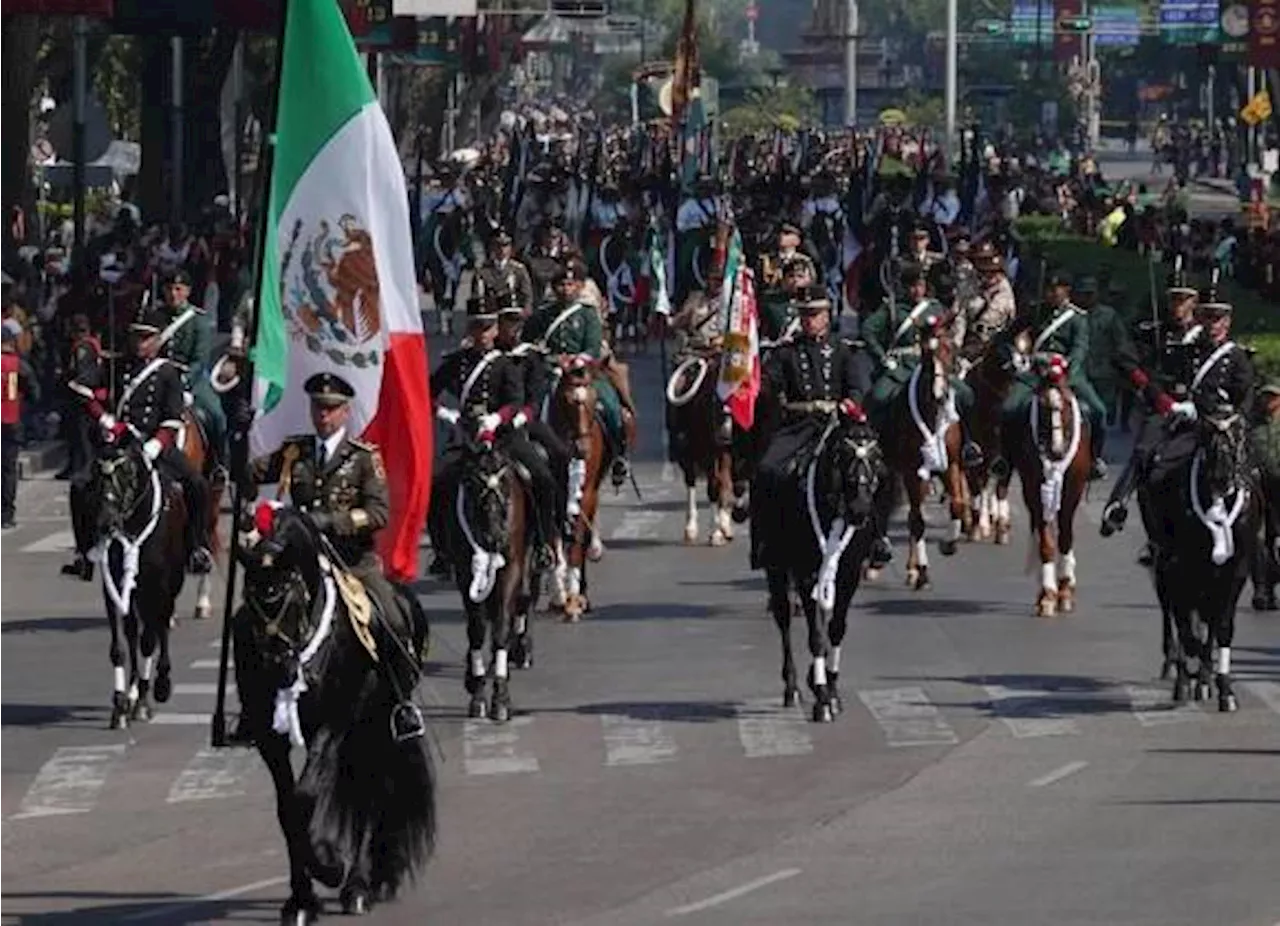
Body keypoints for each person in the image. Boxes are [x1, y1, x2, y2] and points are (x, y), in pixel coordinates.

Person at [232, 371, 400, 745]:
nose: (323, 416)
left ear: (344, 412)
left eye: (331, 410)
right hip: (300, 561)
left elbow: (378, 513)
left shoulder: (362, 458)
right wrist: (238, 432)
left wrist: (324, 521)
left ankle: (399, 704)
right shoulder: (296, 452)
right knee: (248, 621)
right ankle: (251, 709)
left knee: (388, 615)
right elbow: (248, 474)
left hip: (350, 561)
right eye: (317, 408)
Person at [748, 288, 878, 570]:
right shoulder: (786, 352)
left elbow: (857, 386)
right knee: (766, 470)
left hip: (836, 425)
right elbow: (769, 384)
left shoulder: (842, 349)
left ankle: (876, 540)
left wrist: (849, 403)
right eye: (805, 315)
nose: (809, 321)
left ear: (827, 316)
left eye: (815, 315)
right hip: (798, 427)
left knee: (870, 469)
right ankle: (764, 542)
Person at [89, 310, 213, 574]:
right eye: (136, 336)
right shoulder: (116, 366)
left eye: (146, 337)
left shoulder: (167, 373)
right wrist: (104, 419)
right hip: (122, 443)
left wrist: (157, 442)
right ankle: (86, 550)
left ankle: (196, 546)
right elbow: (82, 389)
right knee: (82, 483)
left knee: (197, 484)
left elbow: (172, 416)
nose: (140, 343)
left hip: (154, 443)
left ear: (157, 340)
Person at [427, 298, 526, 575]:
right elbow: (426, 392)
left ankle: (543, 541)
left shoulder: (507, 363)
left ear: (496, 330)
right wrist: (445, 413)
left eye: (488, 327)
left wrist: (498, 417)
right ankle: (443, 551)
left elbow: (517, 399)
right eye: (477, 328)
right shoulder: (456, 363)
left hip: (502, 438)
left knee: (540, 475)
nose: (483, 334)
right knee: (436, 484)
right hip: (466, 438)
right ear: (469, 331)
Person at [524, 260, 635, 485]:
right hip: (551, 373)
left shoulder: (587, 314)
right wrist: (549, 358)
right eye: (562, 285)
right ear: (554, 288)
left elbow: (593, 346)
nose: (566, 289)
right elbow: (527, 342)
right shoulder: (543, 315)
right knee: (530, 407)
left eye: (571, 284)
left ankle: (619, 456)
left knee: (612, 406)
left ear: (579, 287)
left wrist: (577, 360)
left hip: (583, 374)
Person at [1001, 271, 1109, 479]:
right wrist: (1016, 356)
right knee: (1009, 408)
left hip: (1067, 374)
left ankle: (1095, 459)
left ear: (1066, 291)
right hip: (1036, 372)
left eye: (1055, 290)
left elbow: (1079, 349)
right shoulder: (1036, 312)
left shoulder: (1077, 318)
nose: (1050, 294)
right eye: (1048, 290)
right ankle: (1006, 460)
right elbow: (1007, 336)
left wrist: (1067, 368)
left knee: (1098, 411)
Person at [495, 294, 573, 542]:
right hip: (487, 424)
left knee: (557, 458)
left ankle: (553, 525)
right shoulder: (486, 353)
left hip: (522, 421)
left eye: (517, 321)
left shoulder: (531, 355)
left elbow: (536, 394)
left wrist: (524, 415)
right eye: (508, 321)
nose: (513, 328)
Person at [158, 269, 224, 460]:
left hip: (190, 381)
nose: (173, 294)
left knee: (217, 416)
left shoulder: (198, 321)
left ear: (187, 292)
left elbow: (200, 360)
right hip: (159, 377)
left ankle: (219, 465)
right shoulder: (156, 316)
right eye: (169, 289)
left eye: (178, 289)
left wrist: (182, 382)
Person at [0, 326, 37, 530]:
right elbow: (34, 391)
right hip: (12, 421)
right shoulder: (18, 365)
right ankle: (6, 514)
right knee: (7, 470)